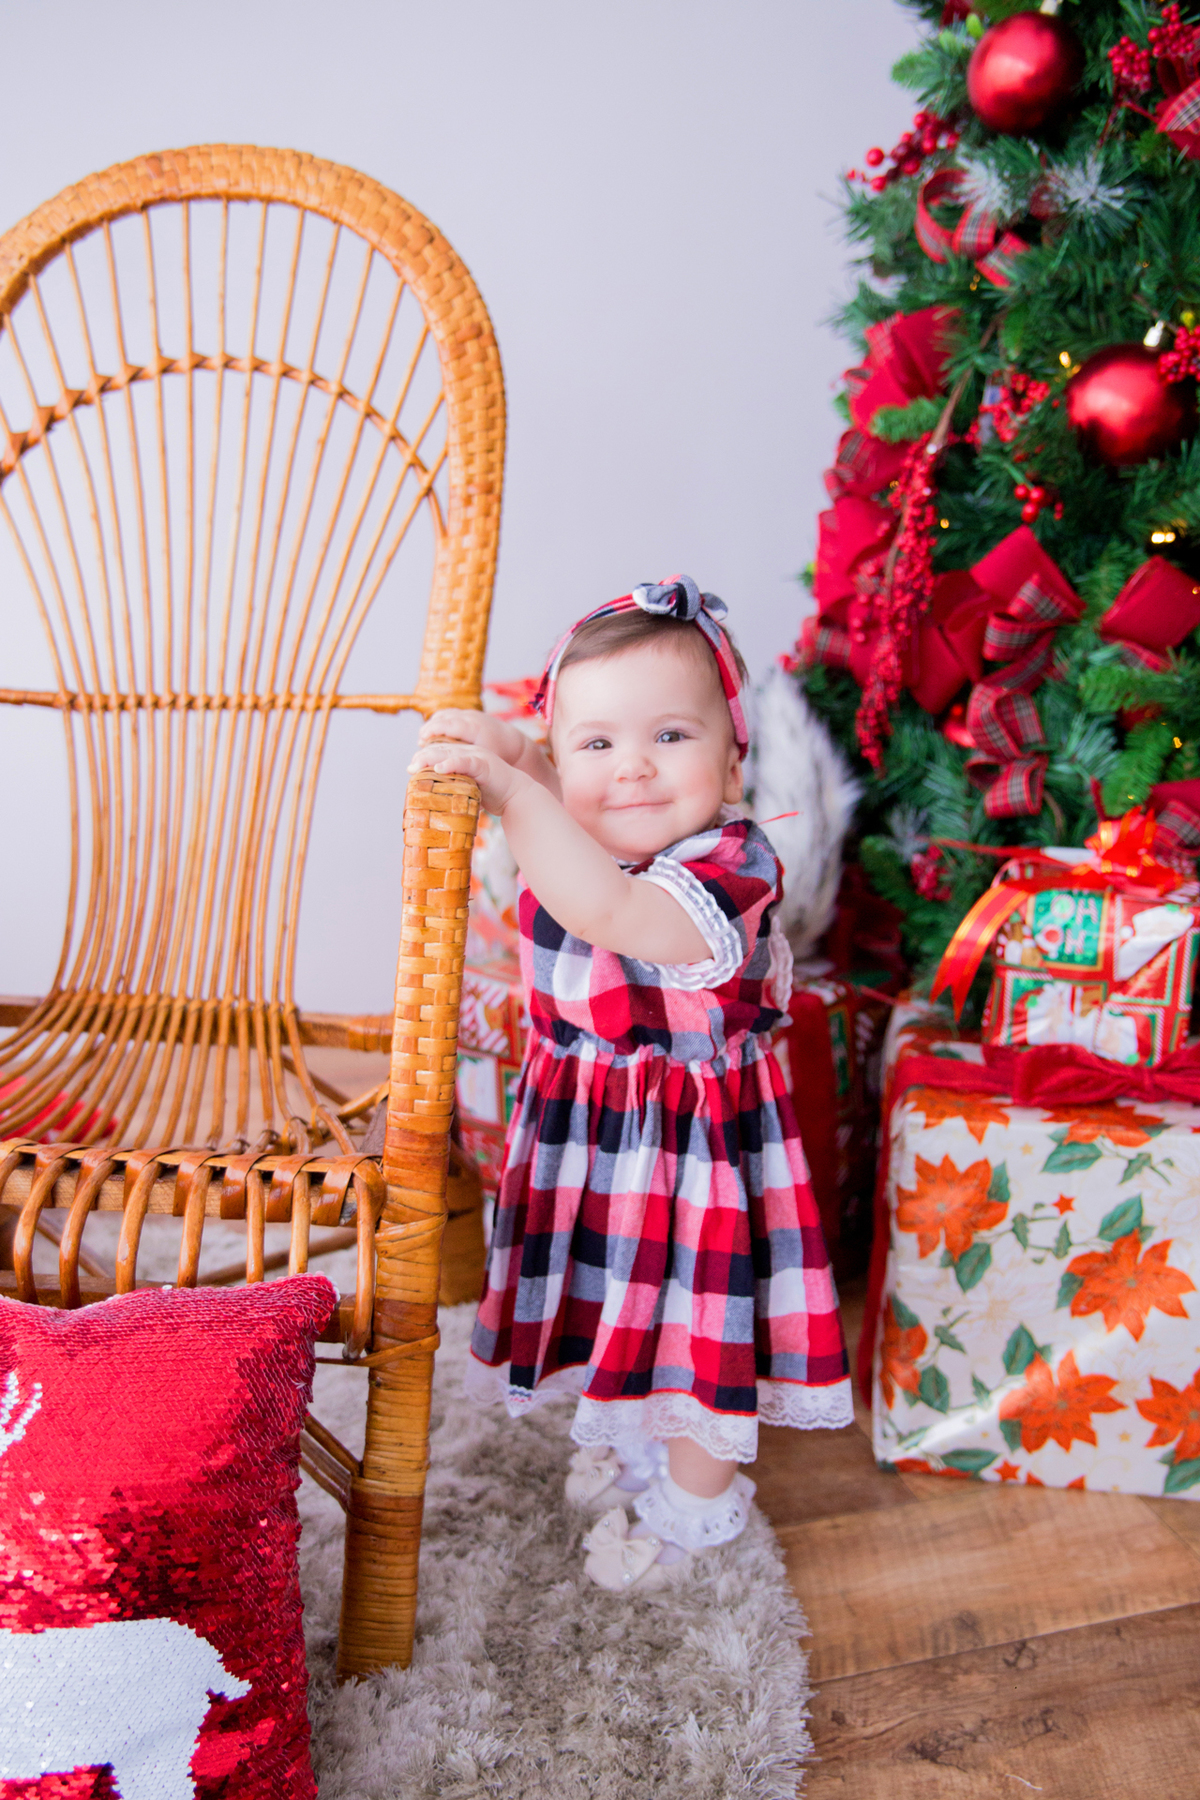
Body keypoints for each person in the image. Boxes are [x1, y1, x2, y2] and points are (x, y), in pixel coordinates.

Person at [409, 576, 851, 1594]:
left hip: (697, 1149)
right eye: (597, 746)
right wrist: (500, 749)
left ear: (733, 757)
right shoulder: (584, 820)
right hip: (598, 1124)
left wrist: (518, 791)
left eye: (671, 738)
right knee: (622, 1302)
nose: (635, 770)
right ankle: (636, 1437)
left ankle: (698, 1500)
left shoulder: (733, 863)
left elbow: (612, 914)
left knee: (701, 1323)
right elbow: (544, 782)